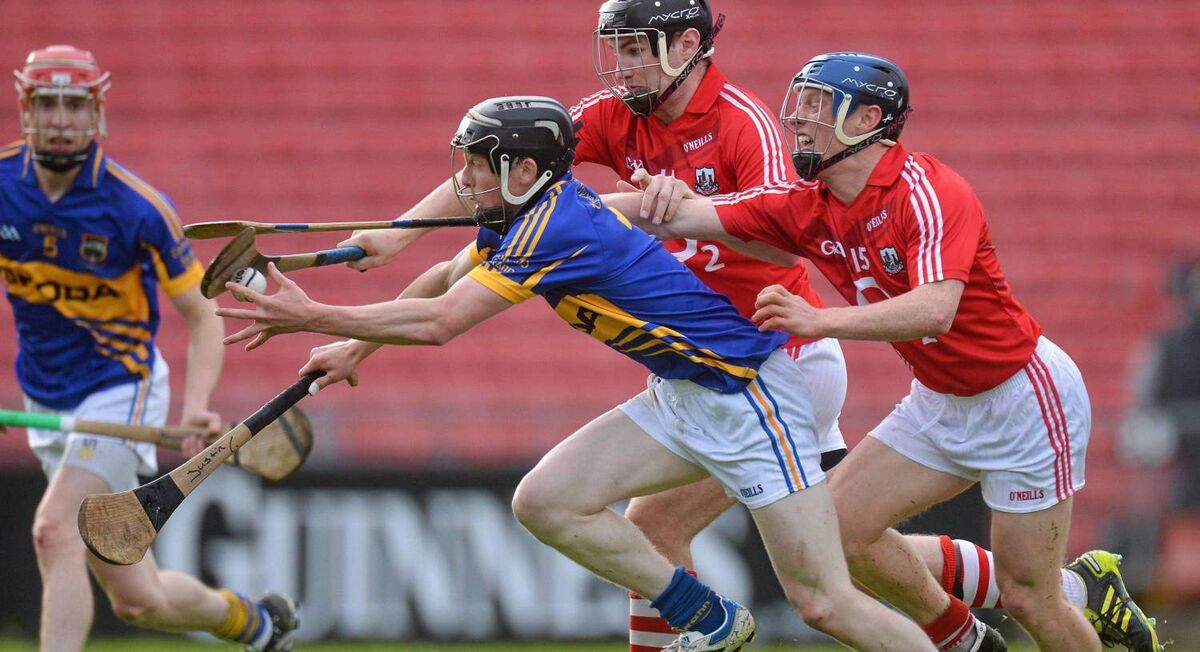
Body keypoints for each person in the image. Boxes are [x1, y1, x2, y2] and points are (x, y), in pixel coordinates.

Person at [220, 95, 938, 651]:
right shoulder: (524, 217)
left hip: (748, 399)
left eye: (478, 165)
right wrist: (354, 348)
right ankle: (708, 617)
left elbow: (442, 323)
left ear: (524, 171)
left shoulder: (555, 228)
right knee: (545, 501)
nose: (464, 180)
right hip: (682, 396)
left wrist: (315, 315)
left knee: (823, 603)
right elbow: (442, 277)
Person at [606, 52, 1164, 652]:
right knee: (837, 535)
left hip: (1022, 399)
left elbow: (935, 309)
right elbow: (685, 216)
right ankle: (962, 638)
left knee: (1029, 594)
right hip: (939, 401)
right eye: (800, 104)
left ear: (868, 119)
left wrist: (820, 320)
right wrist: (568, 205)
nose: (799, 120)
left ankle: (1075, 595)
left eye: (818, 105)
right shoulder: (810, 202)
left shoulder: (927, 190)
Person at [0, 45, 297, 651]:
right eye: (49, 104)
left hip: (120, 389)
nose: (62, 120)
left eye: (75, 106)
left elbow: (202, 313)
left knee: (54, 531)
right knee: (139, 599)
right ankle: (256, 623)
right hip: (46, 394)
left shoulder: (136, 208)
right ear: (27, 108)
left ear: (96, 112)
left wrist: (196, 405)